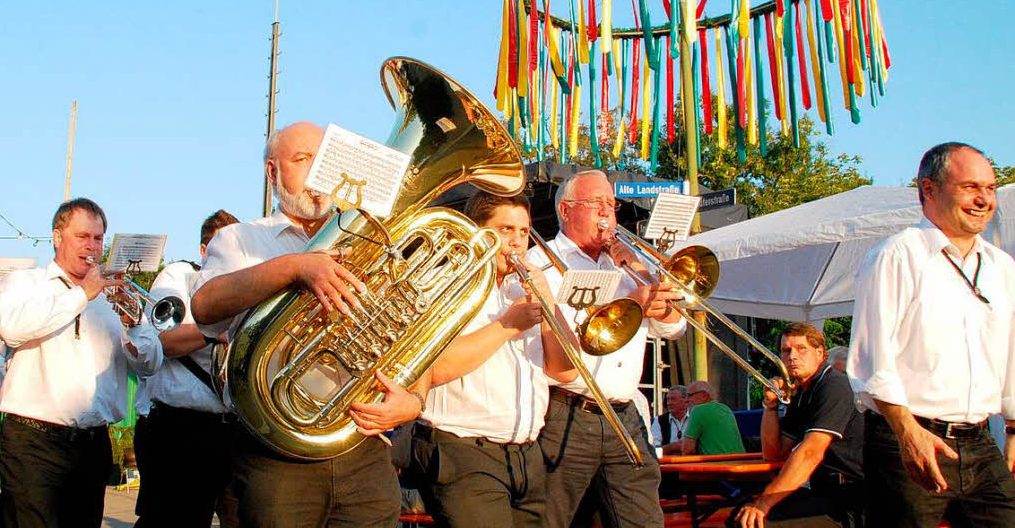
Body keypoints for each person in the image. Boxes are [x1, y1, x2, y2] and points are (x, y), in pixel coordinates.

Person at [191, 121, 426, 528]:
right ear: (272, 172)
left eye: (327, 161)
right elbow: (205, 306)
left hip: (362, 445)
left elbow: (418, 334)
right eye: (303, 160)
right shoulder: (239, 239)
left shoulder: (378, 238)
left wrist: (414, 399)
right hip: (275, 450)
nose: (318, 174)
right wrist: (294, 267)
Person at [848, 142, 1015, 528]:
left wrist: (1012, 427)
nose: (984, 200)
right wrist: (908, 433)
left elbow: (1008, 353)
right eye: (971, 187)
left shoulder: (1001, 267)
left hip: (981, 443)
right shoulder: (897, 255)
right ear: (929, 189)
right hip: (909, 439)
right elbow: (873, 360)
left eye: (990, 188)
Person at [527, 169, 687, 528]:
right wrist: (632, 301)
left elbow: (675, 329)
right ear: (566, 211)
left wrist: (657, 295)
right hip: (564, 409)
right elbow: (554, 343)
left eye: (611, 205)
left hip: (625, 416)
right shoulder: (540, 263)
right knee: (550, 519)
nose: (607, 213)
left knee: (643, 520)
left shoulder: (630, 264)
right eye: (596, 203)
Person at [0, 198, 162, 528]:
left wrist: (137, 325)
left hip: (92, 444)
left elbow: (150, 365)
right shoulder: (28, 283)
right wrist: (82, 294)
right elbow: (12, 329)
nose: (93, 247)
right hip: (33, 440)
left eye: (98, 239)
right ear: (58, 237)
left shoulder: (112, 297)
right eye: (83, 236)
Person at [412, 191, 577, 528]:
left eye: (523, 232)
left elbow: (566, 370)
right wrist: (507, 325)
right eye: (505, 230)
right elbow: (432, 369)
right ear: (478, 232)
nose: (516, 242)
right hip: (463, 450)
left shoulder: (524, 290)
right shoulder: (444, 284)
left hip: (526, 455)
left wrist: (549, 307)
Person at [134, 209, 240, 528]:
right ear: (204, 251)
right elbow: (163, 341)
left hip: (230, 428)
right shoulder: (178, 276)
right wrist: (215, 332)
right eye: (224, 248)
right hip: (179, 428)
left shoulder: (244, 286)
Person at [731, 323, 864, 528]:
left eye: (801, 349)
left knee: (754, 522)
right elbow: (774, 454)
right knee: (740, 512)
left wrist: (764, 503)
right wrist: (771, 405)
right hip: (825, 491)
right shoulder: (804, 392)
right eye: (786, 350)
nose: (792, 356)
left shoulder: (834, 386)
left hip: (852, 498)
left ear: (820, 353)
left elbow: (811, 452)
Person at [673, 381, 744, 456]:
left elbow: (687, 449)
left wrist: (664, 449)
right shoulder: (726, 409)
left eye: (690, 395)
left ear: (704, 395)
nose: (686, 400)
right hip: (741, 462)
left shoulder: (698, 410)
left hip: (718, 464)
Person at [654, 385, 691, 455]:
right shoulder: (658, 420)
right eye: (668, 399)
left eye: (673, 399)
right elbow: (654, 449)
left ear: (686, 401)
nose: (669, 403)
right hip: (667, 463)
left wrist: (666, 448)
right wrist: (672, 447)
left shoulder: (695, 418)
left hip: (693, 463)